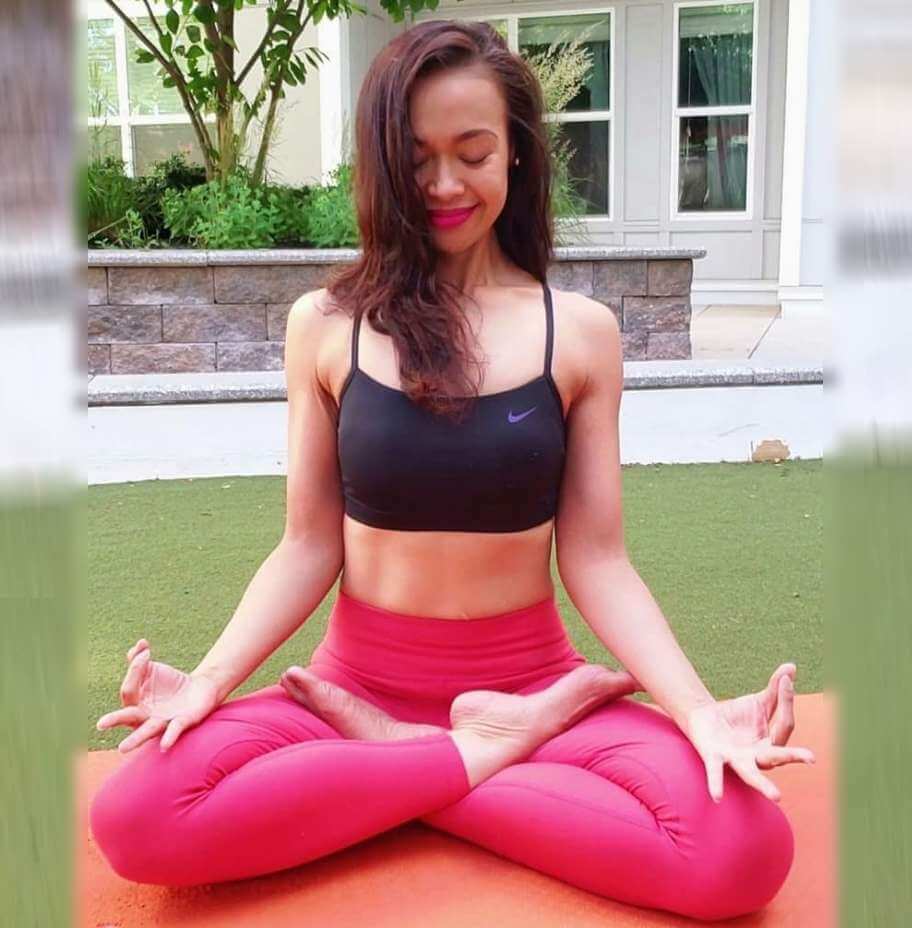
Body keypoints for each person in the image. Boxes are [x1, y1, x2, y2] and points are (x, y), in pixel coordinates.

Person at [89, 20, 816, 922]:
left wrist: (699, 711)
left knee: (741, 848)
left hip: (533, 688)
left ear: (516, 155)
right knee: (136, 817)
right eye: (415, 158)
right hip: (352, 690)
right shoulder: (325, 325)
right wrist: (206, 684)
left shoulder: (579, 334)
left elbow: (597, 558)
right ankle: (468, 754)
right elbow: (307, 544)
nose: (442, 184)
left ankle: (404, 762)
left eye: (472, 153)